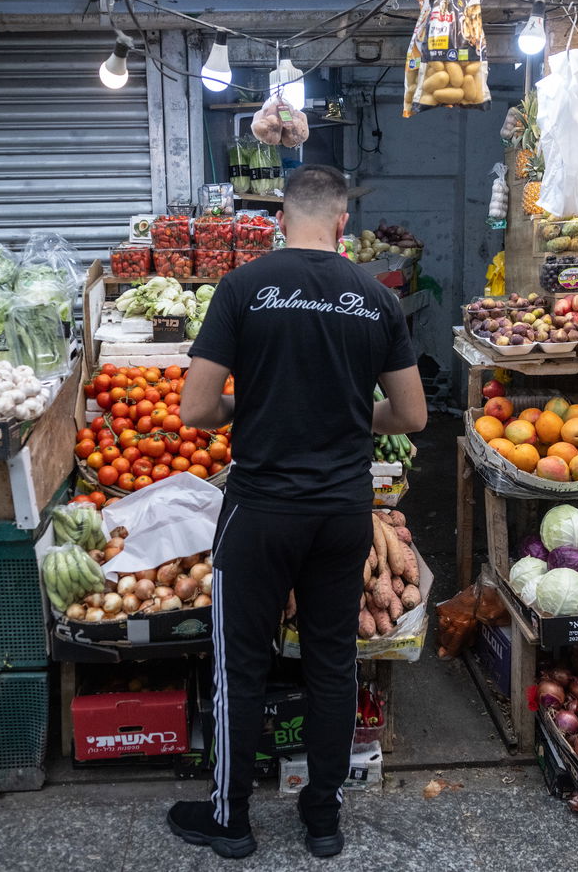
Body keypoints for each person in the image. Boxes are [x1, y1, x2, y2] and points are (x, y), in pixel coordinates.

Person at [168, 165, 427, 860]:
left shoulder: (244, 288)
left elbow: (195, 408)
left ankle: (231, 819)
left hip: (259, 511)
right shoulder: (374, 297)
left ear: (281, 219)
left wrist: (245, 407)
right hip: (341, 511)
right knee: (332, 666)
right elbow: (411, 413)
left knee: (241, 668)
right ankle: (323, 821)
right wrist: (345, 415)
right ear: (342, 224)